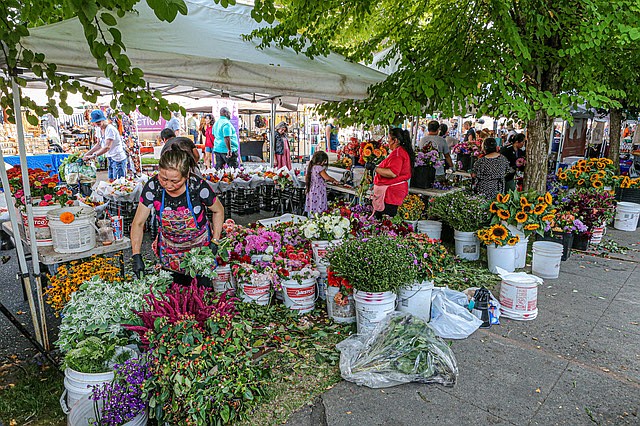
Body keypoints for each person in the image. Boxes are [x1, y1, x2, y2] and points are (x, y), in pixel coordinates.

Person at [130, 146, 224, 286]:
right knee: (174, 298)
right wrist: (136, 255)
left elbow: (218, 210)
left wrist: (215, 240)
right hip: (170, 252)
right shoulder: (153, 186)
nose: (168, 185)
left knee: (201, 294)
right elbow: (138, 223)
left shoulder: (197, 186)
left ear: (186, 176)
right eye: (164, 178)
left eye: (175, 181)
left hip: (199, 251)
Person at [366, 128, 415, 219]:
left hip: (392, 194)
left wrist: (375, 168)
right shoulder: (399, 152)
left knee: (386, 222)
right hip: (392, 193)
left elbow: (392, 173)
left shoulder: (398, 154)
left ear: (395, 140)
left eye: (389, 138)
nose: (387, 141)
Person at [83, 109, 128, 179]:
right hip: (110, 157)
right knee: (111, 180)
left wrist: (94, 155)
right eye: (95, 121)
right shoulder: (98, 129)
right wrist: (87, 154)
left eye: (99, 121)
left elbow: (107, 147)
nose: (97, 123)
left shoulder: (110, 129)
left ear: (103, 119)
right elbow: (98, 145)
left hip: (118, 158)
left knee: (119, 182)